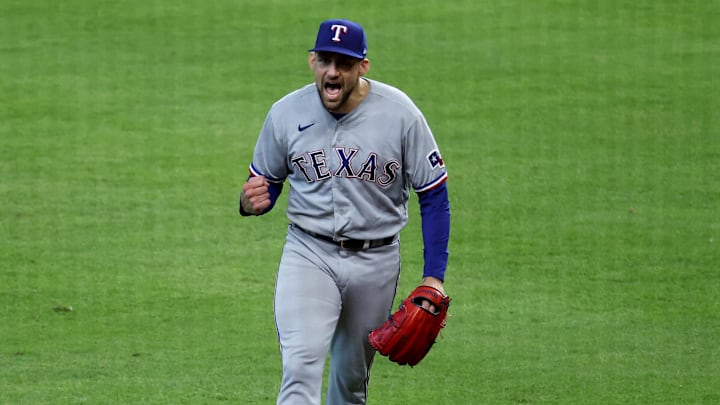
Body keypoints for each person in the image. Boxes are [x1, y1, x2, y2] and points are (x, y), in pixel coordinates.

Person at [238, 18, 450, 405]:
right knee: (300, 368)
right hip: (308, 254)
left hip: (376, 262)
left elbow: (434, 193)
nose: (333, 71)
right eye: (325, 60)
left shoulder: (401, 115)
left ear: (362, 67)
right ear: (312, 61)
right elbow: (263, 183)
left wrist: (434, 277)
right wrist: (249, 203)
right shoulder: (285, 113)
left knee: (350, 383)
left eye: (345, 63)